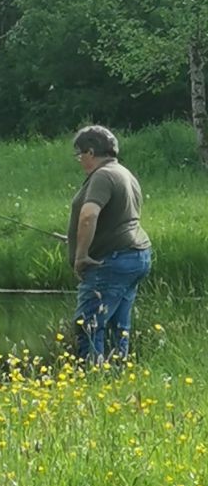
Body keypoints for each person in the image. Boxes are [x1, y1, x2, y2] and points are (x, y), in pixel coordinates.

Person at [67, 124, 151, 362]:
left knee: (88, 325)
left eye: (80, 154)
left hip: (112, 261)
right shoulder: (124, 173)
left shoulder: (102, 176)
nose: (80, 160)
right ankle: (115, 379)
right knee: (117, 326)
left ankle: (93, 379)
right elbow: (117, 219)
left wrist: (81, 255)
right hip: (134, 256)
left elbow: (89, 215)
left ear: (91, 152)